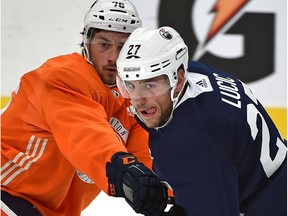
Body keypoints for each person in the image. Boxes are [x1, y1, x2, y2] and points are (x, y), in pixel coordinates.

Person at [0, 1, 168, 215]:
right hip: (7, 191)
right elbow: (85, 133)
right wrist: (123, 167)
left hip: (42, 207)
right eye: (104, 44)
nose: (113, 57)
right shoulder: (60, 77)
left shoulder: (131, 99)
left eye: (123, 46)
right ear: (86, 43)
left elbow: (149, 159)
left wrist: (183, 191)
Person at [116, 26, 287, 216]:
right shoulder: (197, 72)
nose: (138, 99)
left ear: (178, 80)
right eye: (129, 85)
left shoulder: (188, 142)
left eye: (150, 84)